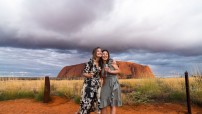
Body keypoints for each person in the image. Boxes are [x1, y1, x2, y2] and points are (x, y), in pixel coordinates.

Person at [76, 47, 102, 114]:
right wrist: (89, 75)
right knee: (87, 103)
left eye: (100, 51)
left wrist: (100, 79)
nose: (100, 52)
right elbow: (84, 73)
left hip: (97, 85)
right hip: (89, 85)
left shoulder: (100, 63)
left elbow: (100, 74)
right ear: (95, 53)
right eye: (98, 51)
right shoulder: (90, 62)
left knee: (96, 102)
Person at [100, 50, 122, 114]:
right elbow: (101, 76)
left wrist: (110, 71)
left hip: (114, 83)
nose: (104, 55)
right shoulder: (100, 64)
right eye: (103, 54)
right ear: (101, 55)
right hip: (105, 83)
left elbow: (118, 70)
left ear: (108, 55)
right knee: (103, 103)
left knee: (113, 104)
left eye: (106, 54)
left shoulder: (112, 62)